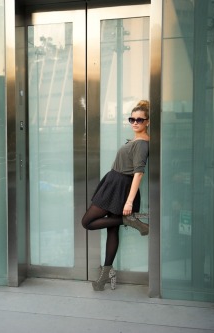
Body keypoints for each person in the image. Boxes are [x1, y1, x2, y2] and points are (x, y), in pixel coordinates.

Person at [81, 99, 150, 291]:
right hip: (114, 183)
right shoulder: (136, 140)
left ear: (147, 122)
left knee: (87, 222)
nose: (135, 122)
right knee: (112, 230)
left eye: (140, 120)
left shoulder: (142, 143)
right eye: (132, 119)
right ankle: (105, 275)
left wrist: (129, 202)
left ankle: (126, 220)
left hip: (120, 186)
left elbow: (139, 173)